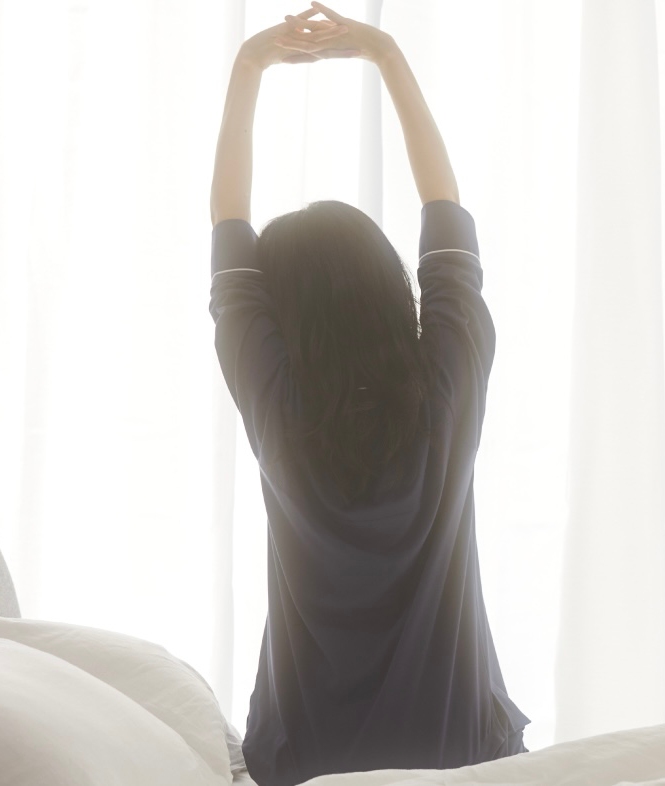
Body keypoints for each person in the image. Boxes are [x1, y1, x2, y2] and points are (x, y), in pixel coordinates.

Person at [208, 4, 530, 785]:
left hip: (304, 762)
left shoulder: (277, 408)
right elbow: (445, 213)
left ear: (280, 315)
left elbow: (228, 228)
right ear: (391, 286)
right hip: (460, 760)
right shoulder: (448, 387)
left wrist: (249, 69)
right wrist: (385, 56)